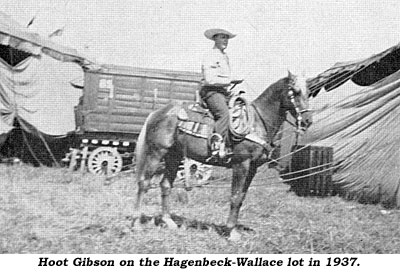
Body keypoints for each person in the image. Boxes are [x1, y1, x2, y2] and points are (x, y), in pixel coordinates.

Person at [200, 28, 243, 161]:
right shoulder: (211, 55)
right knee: (224, 114)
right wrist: (230, 80)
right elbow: (209, 79)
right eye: (222, 37)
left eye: (227, 38)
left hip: (223, 92)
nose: (225, 40)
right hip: (211, 92)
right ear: (215, 39)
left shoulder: (224, 56)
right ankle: (216, 147)